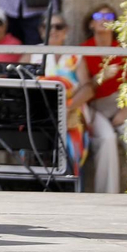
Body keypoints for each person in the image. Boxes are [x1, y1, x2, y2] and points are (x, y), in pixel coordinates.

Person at [83, 3, 127, 193]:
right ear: (91, 24)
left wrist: (125, 111)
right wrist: (99, 78)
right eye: (98, 16)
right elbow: (83, 87)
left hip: (123, 104)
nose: (103, 20)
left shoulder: (124, 49)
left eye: (109, 18)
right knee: (107, 139)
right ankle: (107, 196)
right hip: (95, 107)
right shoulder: (84, 50)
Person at [34, 13, 91, 179]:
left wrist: (67, 107)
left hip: (71, 114)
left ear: (66, 30)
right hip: (39, 117)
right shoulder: (32, 54)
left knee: (71, 147)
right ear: (40, 30)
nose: (53, 30)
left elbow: (88, 88)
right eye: (47, 27)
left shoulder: (75, 55)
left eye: (58, 26)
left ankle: (71, 189)